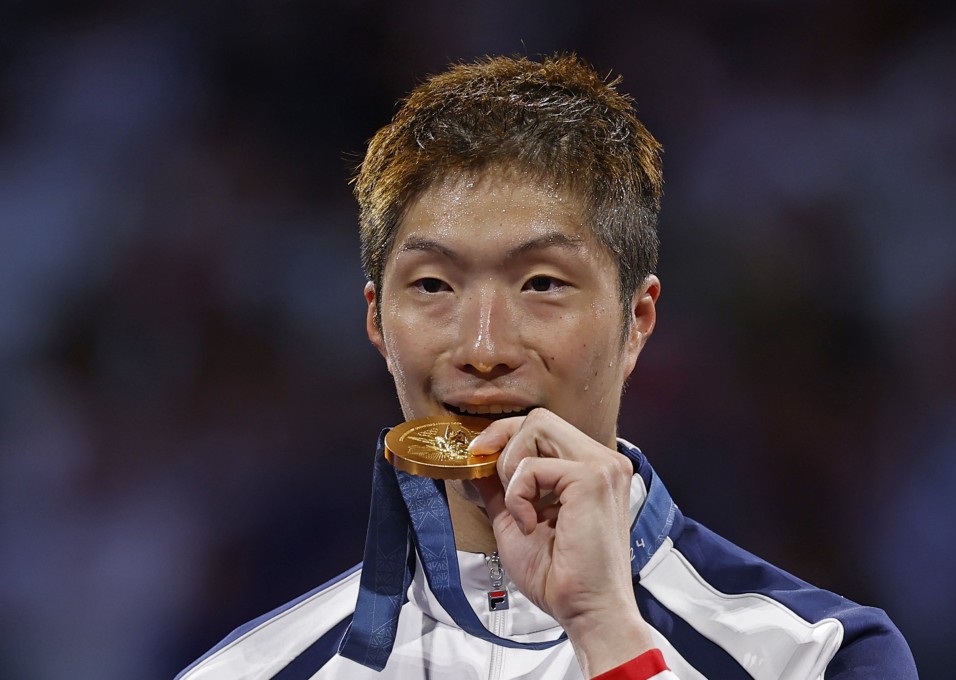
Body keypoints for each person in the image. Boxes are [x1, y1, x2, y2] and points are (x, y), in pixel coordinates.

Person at [176, 54, 917, 680]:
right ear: (375, 320)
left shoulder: (817, 656)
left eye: (542, 284)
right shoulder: (248, 673)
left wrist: (607, 631)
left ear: (638, 322)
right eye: (433, 286)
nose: (484, 347)